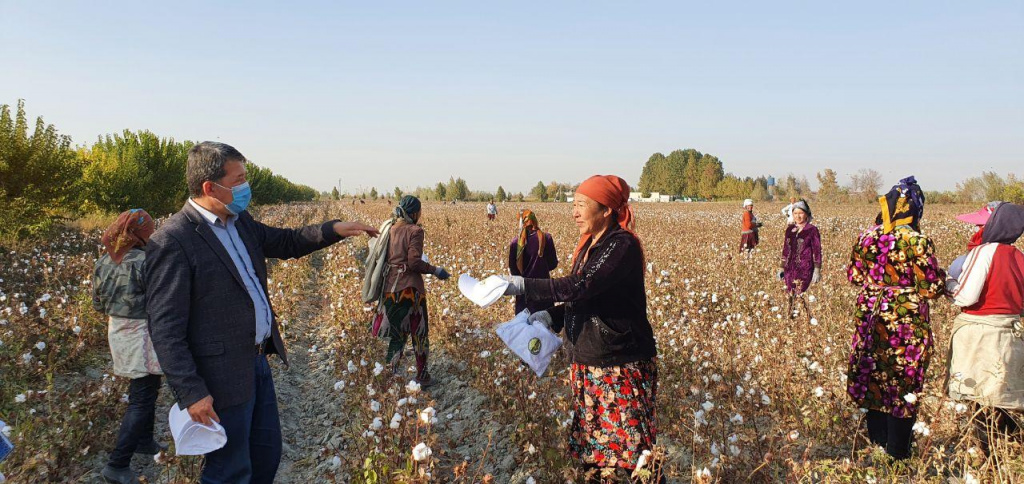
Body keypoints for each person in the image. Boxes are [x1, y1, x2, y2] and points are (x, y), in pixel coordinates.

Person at [145, 142, 378, 483]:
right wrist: (191, 391)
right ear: (210, 187)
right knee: (229, 470)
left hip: (256, 364)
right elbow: (165, 328)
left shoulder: (239, 222)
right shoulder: (173, 240)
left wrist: (333, 229)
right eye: (238, 180)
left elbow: (285, 241)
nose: (245, 187)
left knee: (265, 457)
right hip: (219, 378)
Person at [502, 175, 660, 483]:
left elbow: (581, 286)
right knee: (598, 453)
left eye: (581, 205)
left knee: (631, 453)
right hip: (590, 364)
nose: (574, 212)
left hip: (618, 366)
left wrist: (521, 286)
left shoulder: (621, 245)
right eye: (573, 205)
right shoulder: (591, 246)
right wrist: (551, 317)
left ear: (606, 211)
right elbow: (585, 299)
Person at [845, 176, 946, 460]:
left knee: (874, 377)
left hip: (870, 314)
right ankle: (898, 453)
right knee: (903, 381)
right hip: (905, 321)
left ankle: (877, 446)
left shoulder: (867, 236)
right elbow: (929, 288)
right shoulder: (917, 241)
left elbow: (853, 276)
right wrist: (942, 279)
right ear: (915, 208)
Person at [93, 209, 164, 484]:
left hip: (118, 330)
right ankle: (117, 464)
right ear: (142, 233)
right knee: (142, 396)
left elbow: (97, 304)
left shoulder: (103, 261)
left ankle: (144, 441)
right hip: (142, 332)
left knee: (147, 386)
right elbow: (160, 300)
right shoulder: (146, 261)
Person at [947, 202, 1024, 446]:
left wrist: (946, 283)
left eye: (982, 224)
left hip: (980, 335)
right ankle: (1011, 452)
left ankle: (985, 452)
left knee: (976, 397)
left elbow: (965, 296)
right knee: (1005, 397)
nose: (977, 229)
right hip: (1011, 334)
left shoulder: (984, 253)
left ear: (993, 226)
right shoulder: (1018, 256)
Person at [371, 195, 450, 386]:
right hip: (410, 290)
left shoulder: (390, 229)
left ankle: (389, 377)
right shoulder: (415, 231)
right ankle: (422, 376)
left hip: (390, 287)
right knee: (419, 333)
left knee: (398, 334)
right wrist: (435, 270)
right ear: (414, 212)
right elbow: (413, 261)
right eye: (419, 211)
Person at [507, 209, 558, 315]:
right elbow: (553, 264)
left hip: (524, 291)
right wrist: (541, 268)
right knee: (543, 326)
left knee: (524, 325)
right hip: (544, 289)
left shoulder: (515, 243)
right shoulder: (546, 238)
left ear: (521, 223)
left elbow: (513, 271)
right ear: (535, 220)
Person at [779, 200, 822, 319]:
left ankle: (807, 318)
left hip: (805, 268)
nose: (798, 216)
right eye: (795, 213)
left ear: (807, 214)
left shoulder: (812, 230)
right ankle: (793, 318)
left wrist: (817, 269)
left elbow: (817, 251)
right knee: (791, 294)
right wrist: (781, 267)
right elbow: (785, 249)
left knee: (799, 292)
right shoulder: (790, 230)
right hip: (789, 268)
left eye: (801, 213)